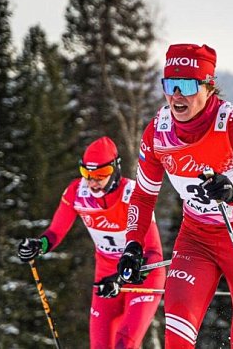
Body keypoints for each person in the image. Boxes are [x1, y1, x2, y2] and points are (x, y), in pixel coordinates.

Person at [116, 43, 233, 348]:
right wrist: (132, 245)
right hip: (196, 239)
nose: (176, 96)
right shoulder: (158, 132)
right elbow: (143, 197)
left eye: (185, 86)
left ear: (208, 87)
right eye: (169, 86)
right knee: (177, 337)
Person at [17, 136, 166, 349]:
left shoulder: (133, 195)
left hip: (142, 278)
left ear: (115, 170)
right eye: (87, 174)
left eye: (100, 175)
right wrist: (38, 246)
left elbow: (153, 253)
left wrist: (122, 279)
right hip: (106, 275)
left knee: (124, 344)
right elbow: (55, 232)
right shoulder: (78, 193)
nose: (93, 182)